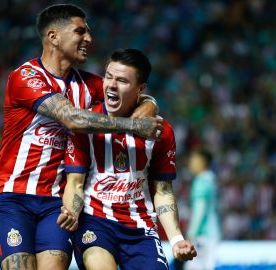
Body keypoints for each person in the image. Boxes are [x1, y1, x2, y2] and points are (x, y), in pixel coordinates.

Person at [0, 5, 162, 270]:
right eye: (80, 31)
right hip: (12, 197)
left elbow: (132, 93)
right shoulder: (26, 77)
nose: (89, 39)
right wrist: (134, 126)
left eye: (89, 32)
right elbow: (73, 119)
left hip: (57, 203)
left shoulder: (88, 84)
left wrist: (150, 103)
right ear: (53, 37)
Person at [57, 49, 197, 270]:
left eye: (122, 80)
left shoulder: (160, 132)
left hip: (140, 228)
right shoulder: (86, 126)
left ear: (140, 90)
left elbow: (163, 191)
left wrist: (177, 239)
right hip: (95, 222)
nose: (111, 85)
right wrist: (72, 212)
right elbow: (75, 182)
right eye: (109, 76)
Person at [186, 149, 220, 270]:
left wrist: (191, 234)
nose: (190, 163)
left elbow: (200, 211)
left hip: (202, 235)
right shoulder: (211, 180)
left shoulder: (201, 182)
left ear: (202, 162)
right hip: (212, 233)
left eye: (193, 160)